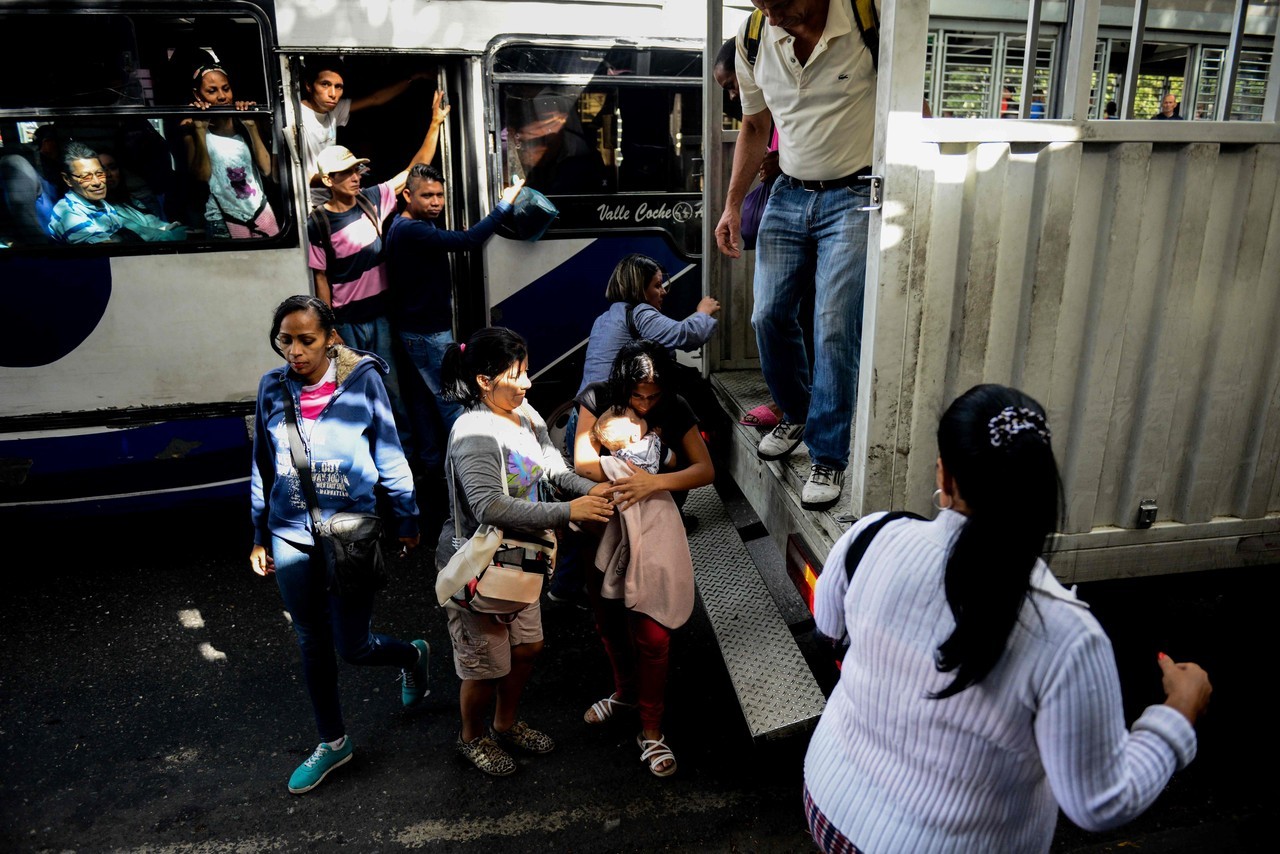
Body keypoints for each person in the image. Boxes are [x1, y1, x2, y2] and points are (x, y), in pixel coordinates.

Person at [803, 384, 1212, 853]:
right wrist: (1178, 712)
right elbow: (1100, 803)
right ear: (1038, 484)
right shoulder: (1067, 636)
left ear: (946, 476)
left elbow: (829, 632)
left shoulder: (871, 536)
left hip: (827, 803)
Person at [248, 295, 429, 795]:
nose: (296, 351)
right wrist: (259, 531)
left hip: (351, 531)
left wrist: (407, 516)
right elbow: (263, 465)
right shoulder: (270, 387)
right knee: (310, 638)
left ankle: (411, 657)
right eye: (286, 340)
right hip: (290, 533)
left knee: (353, 646)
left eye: (307, 340)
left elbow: (390, 453)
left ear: (330, 338)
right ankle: (333, 742)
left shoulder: (364, 381)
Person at [715, 0, 879, 511]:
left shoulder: (868, 18)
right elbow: (754, 126)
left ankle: (828, 454)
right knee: (768, 315)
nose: (769, 8)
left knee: (833, 325)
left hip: (853, 195)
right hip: (788, 191)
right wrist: (731, 205)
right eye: (760, 0)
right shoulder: (753, 35)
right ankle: (796, 410)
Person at [436, 326, 614, 776]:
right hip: (480, 566)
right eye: (518, 374)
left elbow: (553, 468)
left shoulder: (526, 414)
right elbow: (489, 505)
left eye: (527, 372)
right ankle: (471, 736)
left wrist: (598, 489)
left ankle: (505, 723)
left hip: (523, 559)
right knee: (485, 666)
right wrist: (570, 510)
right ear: (484, 379)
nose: (528, 383)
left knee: (529, 647)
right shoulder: (473, 430)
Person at [573, 339, 715, 778]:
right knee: (608, 619)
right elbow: (581, 464)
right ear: (621, 384)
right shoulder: (596, 397)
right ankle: (624, 693)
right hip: (600, 527)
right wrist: (625, 469)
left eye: (653, 395)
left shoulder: (675, 406)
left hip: (653, 534)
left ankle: (651, 730)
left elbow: (705, 470)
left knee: (653, 634)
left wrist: (652, 483)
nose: (646, 402)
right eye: (637, 395)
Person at [307, 93, 447, 461]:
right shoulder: (318, 220)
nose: (355, 177)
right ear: (327, 180)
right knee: (356, 393)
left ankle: (405, 458)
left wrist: (434, 125)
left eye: (356, 171)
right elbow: (321, 277)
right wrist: (329, 326)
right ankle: (375, 459)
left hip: (382, 317)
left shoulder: (372, 199)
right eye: (346, 174)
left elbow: (414, 169)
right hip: (349, 323)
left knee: (393, 391)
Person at [384, 163, 523, 469]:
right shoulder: (412, 230)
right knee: (450, 400)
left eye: (439, 195)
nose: (435, 202)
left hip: (416, 331)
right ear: (407, 195)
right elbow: (468, 241)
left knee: (423, 400)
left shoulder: (404, 225)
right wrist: (505, 204)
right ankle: (471, 467)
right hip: (428, 332)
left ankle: (432, 462)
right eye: (427, 195)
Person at [569, 253, 719, 453]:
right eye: (657, 286)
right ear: (640, 289)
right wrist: (703, 312)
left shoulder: (604, 319)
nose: (663, 292)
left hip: (581, 421)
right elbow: (687, 335)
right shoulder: (640, 313)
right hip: (616, 425)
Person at [299, 58, 435, 205]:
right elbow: (297, 175)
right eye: (325, 84)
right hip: (308, 203)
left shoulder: (333, 110)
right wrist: (345, 176)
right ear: (308, 85)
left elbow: (374, 99)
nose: (333, 93)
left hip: (332, 197)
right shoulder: (295, 117)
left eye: (338, 87)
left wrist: (412, 78)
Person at [183, 65, 278, 239]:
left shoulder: (243, 124)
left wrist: (251, 127)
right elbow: (202, 176)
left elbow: (266, 169)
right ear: (198, 95)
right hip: (221, 218)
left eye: (226, 89)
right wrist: (200, 130)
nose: (222, 97)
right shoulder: (193, 129)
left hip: (259, 211)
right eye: (212, 91)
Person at [48, 142, 186, 244]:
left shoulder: (101, 204)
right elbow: (109, 252)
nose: (97, 182)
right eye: (86, 177)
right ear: (68, 180)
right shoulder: (68, 213)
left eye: (99, 173)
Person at [591, 407, 675, 474]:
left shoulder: (617, 454)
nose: (642, 417)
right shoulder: (649, 445)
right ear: (635, 436)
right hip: (652, 487)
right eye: (639, 417)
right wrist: (660, 441)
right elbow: (672, 461)